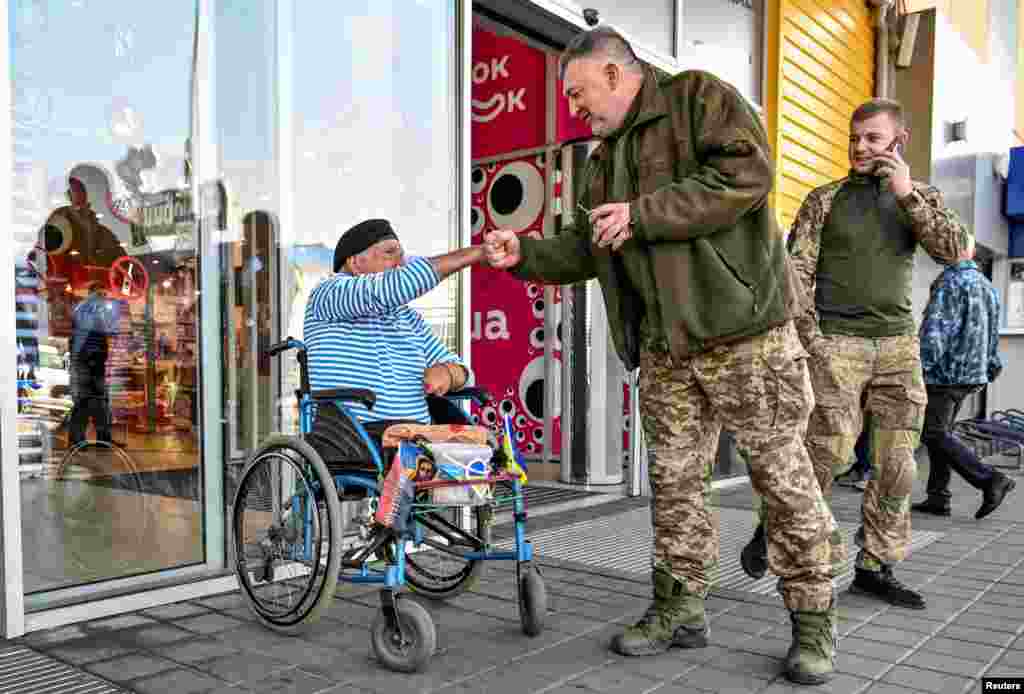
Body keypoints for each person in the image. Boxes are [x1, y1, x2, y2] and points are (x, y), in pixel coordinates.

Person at [483, 27, 836, 685]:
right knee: (675, 488)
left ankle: (813, 624)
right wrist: (524, 254)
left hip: (745, 337)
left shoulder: (698, 98)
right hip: (665, 352)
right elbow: (589, 247)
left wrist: (643, 214)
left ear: (615, 74)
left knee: (783, 481)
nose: (574, 111)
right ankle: (680, 609)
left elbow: (747, 174)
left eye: (580, 94)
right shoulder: (600, 159)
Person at [745, 98, 967, 611]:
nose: (860, 147)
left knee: (897, 466)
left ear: (898, 142)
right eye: (854, 138)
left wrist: (907, 194)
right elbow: (794, 276)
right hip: (836, 345)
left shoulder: (920, 197)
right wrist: (811, 342)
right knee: (827, 456)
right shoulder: (825, 200)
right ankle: (777, 528)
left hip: (897, 349)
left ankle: (874, 566)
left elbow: (954, 251)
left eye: (872, 138)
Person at [303, 219, 483, 428]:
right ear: (354, 263)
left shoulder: (408, 319)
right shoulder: (328, 294)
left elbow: (466, 375)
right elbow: (391, 287)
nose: (402, 264)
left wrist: (449, 373)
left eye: (402, 257)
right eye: (390, 253)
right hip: (356, 435)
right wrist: (476, 254)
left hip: (415, 438)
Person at [913, 235, 1016, 520]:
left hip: (944, 374)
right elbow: (992, 335)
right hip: (972, 375)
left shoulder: (950, 283)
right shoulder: (987, 286)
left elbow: (934, 334)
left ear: (950, 250)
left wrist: (919, 368)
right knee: (940, 431)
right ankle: (938, 497)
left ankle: (990, 479)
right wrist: (990, 365)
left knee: (933, 432)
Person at [69, 283, 119, 445]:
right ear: (91, 294)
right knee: (84, 402)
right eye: (100, 295)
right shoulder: (84, 310)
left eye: (104, 295)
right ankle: (77, 440)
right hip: (85, 363)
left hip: (95, 363)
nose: (103, 298)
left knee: (100, 402)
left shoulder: (97, 312)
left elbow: (107, 332)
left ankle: (103, 439)